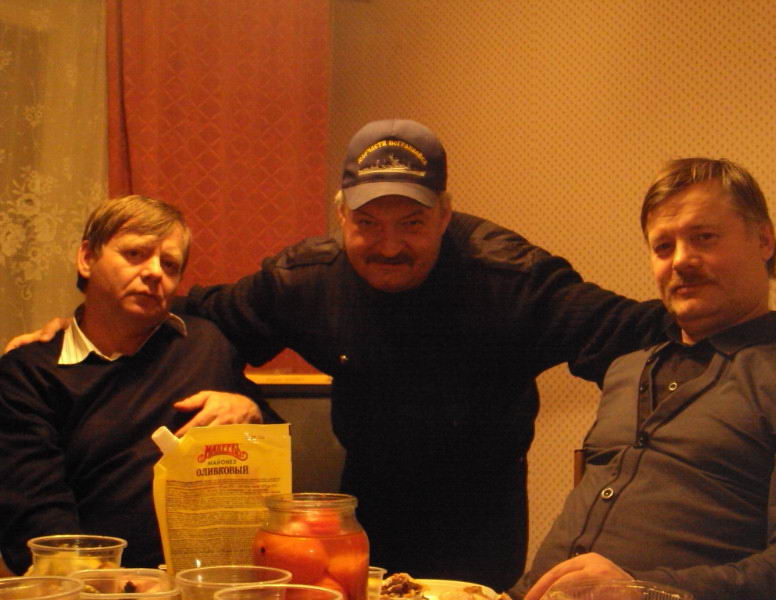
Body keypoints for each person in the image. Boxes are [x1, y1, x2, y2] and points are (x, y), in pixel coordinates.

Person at [3, 121, 671, 589]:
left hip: (479, 513)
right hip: (361, 509)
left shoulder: (513, 279)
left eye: (412, 223)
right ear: (341, 215)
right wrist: (81, 323)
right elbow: (200, 310)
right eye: (367, 223)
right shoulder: (304, 280)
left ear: (445, 215)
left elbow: (638, 334)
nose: (389, 244)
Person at [510, 158, 776, 600]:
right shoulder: (626, 370)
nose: (681, 260)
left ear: (764, 240)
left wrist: (641, 590)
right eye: (663, 247)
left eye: (704, 237)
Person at [0, 195, 277, 574]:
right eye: (135, 254)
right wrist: (112, 582)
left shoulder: (207, 345)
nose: (154, 272)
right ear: (86, 258)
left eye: (169, 264)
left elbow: (278, 463)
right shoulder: (28, 373)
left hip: (209, 579)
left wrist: (251, 411)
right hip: (91, 585)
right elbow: (34, 519)